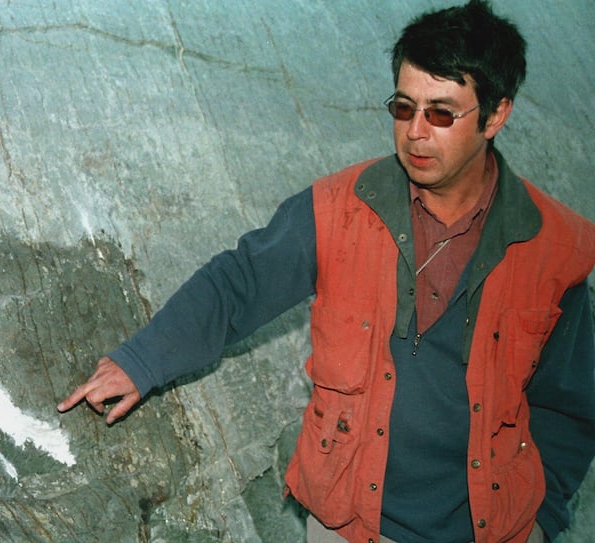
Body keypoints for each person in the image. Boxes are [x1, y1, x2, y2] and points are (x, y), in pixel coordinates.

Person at [58, 1, 595, 541]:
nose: (415, 132)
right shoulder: (337, 208)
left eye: (440, 113)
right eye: (403, 108)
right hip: (344, 522)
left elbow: (568, 407)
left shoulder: (557, 248)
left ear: (496, 115)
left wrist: (543, 524)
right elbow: (240, 282)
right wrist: (142, 360)